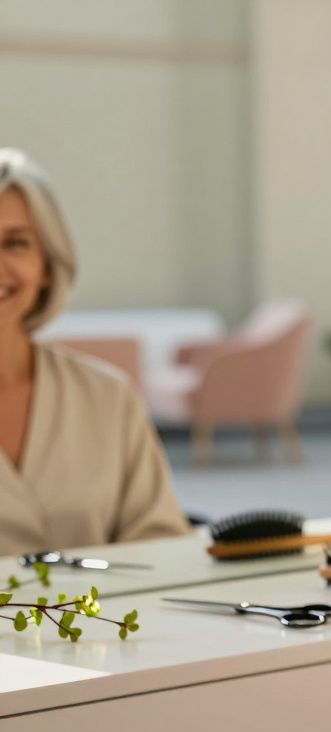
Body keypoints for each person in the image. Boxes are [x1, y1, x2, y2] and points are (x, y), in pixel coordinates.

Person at [0, 148, 189, 555]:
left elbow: (163, 545)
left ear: (47, 265)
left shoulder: (107, 396)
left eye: (15, 243)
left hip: (103, 619)